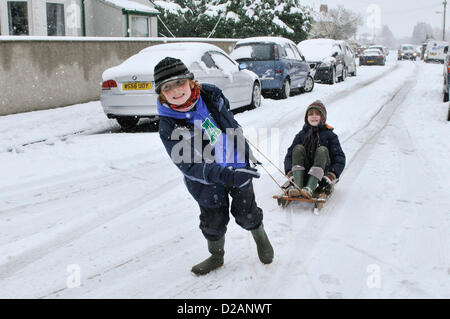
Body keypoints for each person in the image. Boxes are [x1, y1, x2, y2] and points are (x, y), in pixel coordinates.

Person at [155, 57, 274, 276]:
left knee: (247, 211)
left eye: (180, 82)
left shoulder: (212, 95)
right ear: (162, 94)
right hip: (206, 180)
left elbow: (229, 122)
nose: (176, 90)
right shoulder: (168, 124)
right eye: (167, 87)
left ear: (191, 82)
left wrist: (245, 151)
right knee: (213, 220)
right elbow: (189, 165)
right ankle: (216, 256)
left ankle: (260, 237)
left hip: (237, 164)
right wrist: (226, 176)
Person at [284, 100, 346, 199]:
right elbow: (289, 156)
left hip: (322, 175)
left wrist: (331, 175)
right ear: (306, 118)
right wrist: (290, 173)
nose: (313, 116)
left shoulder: (330, 135)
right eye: (311, 114)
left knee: (322, 150)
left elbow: (339, 158)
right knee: (298, 148)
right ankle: (297, 186)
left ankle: (310, 187)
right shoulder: (301, 135)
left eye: (317, 114)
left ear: (323, 117)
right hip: (304, 172)